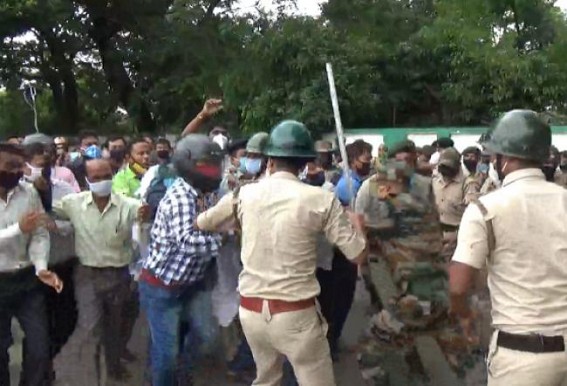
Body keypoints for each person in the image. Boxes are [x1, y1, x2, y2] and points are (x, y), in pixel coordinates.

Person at [196, 120, 368, 386]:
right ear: (304, 163)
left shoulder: (243, 194)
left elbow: (203, 222)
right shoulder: (322, 199)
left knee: (267, 380)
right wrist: (357, 224)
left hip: (252, 312)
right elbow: (357, 255)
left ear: (270, 160)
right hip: (296, 315)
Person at [448, 109, 567, 386]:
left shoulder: (485, 208)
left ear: (504, 159)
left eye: (492, 156)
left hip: (522, 359)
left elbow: (458, 285)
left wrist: (465, 317)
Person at [52, 159, 148, 384]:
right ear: (86, 180)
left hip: (119, 275)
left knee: (115, 327)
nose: (102, 181)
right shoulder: (72, 203)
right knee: (91, 327)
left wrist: (147, 216)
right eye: (95, 177)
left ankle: (113, 366)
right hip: (87, 275)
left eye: (106, 175)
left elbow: (145, 226)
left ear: (113, 175)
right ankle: (93, 378)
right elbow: (47, 206)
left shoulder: (130, 206)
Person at [139, 134, 223, 386]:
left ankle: (180, 377)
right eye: (206, 166)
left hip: (193, 284)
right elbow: (188, 243)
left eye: (215, 165)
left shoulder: (207, 193)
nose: (212, 171)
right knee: (166, 354)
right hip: (162, 288)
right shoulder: (181, 197)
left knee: (206, 337)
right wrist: (225, 237)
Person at [0, 143, 63, 386]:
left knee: (40, 347)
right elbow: (25, 229)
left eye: (20, 167)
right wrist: (18, 229)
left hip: (27, 279)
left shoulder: (28, 193)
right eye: (10, 166)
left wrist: (41, 267)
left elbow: (39, 234)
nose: (17, 171)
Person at [432, 147, 481, 260]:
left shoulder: (468, 183)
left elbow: (474, 213)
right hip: (436, 235)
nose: (445, 170)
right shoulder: (435, 181)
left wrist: (459, 236)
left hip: (457, 236)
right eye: (442, 166)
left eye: (448, 166)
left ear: (458, 165)